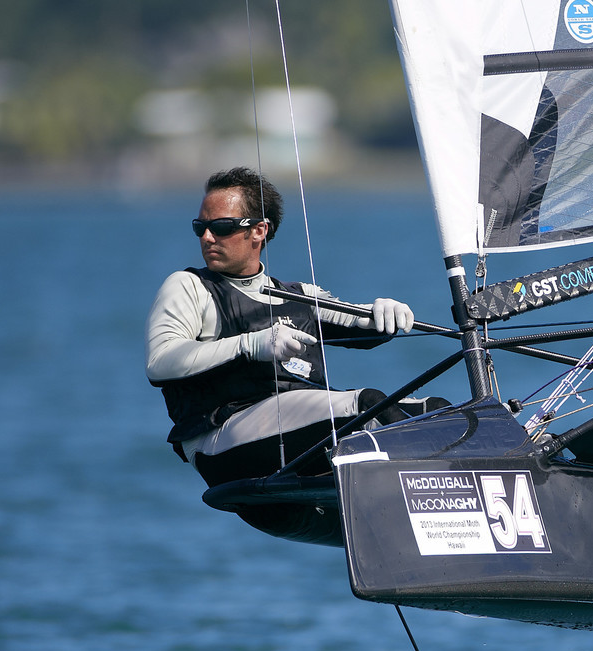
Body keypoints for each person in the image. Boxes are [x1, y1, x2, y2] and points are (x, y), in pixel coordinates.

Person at [147, 166, 428, 488]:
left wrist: (384, 312)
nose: (207, 237)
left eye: (221, 226)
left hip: (300, 431)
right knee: (366, 406)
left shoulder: (300, 295)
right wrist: (252, 345)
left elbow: (357, 321)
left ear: (259, 230)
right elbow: (160, 362)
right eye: (201, 227)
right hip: (219, 442)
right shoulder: (189, 286)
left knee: (433, 412)